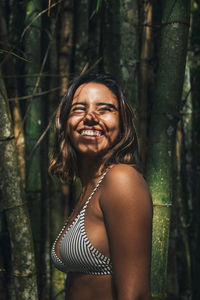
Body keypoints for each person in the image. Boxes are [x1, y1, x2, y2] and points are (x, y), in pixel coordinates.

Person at [49, 72, 152, 300]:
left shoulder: (122, 180)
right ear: (65, 122)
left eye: (104, 109)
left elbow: (136, 295)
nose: (90, 117)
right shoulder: (89, 187)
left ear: (122, 123)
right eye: (78, 109)